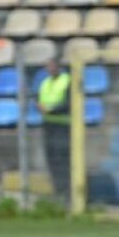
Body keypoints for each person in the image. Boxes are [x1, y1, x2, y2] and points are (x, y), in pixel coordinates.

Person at [38, 59, 71, 202]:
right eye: (48, 66)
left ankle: (67, 193)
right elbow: (41, 102)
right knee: (52, 161)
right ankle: (58, 191)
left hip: (63, 126)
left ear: (58, 67)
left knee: (64, 161)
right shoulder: (45, 83)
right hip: (48, 127)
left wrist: (51, 110)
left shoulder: (66, 81)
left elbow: (69, 103)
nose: (50, 69)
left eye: (52, 66)